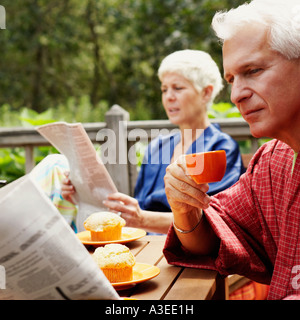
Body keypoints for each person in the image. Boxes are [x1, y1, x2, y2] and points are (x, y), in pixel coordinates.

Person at [163, 0, 300, 300]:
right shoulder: (272, 163)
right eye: (231, 79)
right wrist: (185, 209)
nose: (237, 95)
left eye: (252, 71)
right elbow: (218, 234)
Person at [62, 49, 244, 234]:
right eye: (164, 89)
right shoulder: (158, 147)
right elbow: (138, 208)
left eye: (178, 88)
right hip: (143, 241)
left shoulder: (221, 148)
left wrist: (142, 219)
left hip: (188, 249)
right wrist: (83, 196)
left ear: (206, 93)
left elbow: (214, 219)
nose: (169, 96)